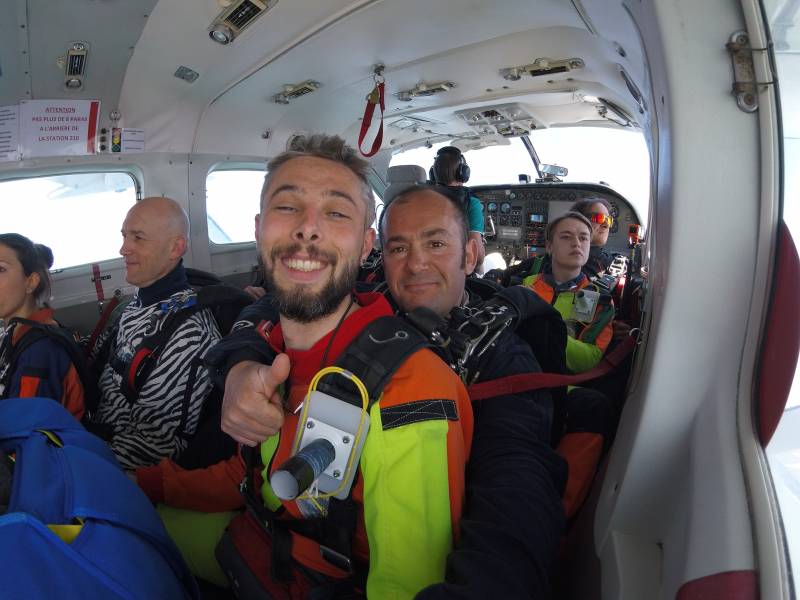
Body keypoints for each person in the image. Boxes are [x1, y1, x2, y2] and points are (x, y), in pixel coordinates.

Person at [145, 135, 474, 597]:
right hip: (259, 539)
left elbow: (406, 585)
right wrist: (148, 483)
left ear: (365, 246)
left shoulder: (412, 389)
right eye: (287, 207)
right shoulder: (268, 351)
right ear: (259, 229)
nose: (308, 229)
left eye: (336, 213)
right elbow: (253, 475)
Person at [220, 183, 566, 599]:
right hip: (293, 525)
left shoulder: (503, 359)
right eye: (398, 248)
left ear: (470, 254)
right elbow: (276, 305)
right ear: (380, 257)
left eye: (436, 243)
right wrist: (239, 364)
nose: (416, 264)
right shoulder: (369, 300)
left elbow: (517, 484)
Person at [89, 197, 221, 469]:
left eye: (138, 238)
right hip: (93, 435)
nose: (123, 248)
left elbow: (156, 443)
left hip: (118, 463)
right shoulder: (135, 305)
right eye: (125, 236)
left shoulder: (189, 333)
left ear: (176, 248)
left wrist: (86, 465)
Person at [522, 211, 615, 518]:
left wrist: (548, 329)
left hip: (561, 384)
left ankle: (558, 511)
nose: (577, 243)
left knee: (594, 406)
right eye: (566, 236)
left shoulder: (600, 300)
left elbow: (590, 357)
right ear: (549, 246)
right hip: (516, 375)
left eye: (583, 237)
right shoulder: (525, 286)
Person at [0, 234, 85, 419]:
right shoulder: (16, 332)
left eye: (0, 269)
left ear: (30, 282)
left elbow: (22, 432)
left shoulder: (39, 353)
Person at [429, 146, 486, 268]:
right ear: (463, 173)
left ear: (433, 173)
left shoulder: (419, 198)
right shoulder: (471, 203)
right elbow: (478, 258)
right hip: (455, 271)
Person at [569, 197, 614, 278]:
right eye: (599, 218)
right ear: (578, 221)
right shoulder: (566, 263)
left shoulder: (600, 257)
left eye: (609, 220)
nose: (606, 225)